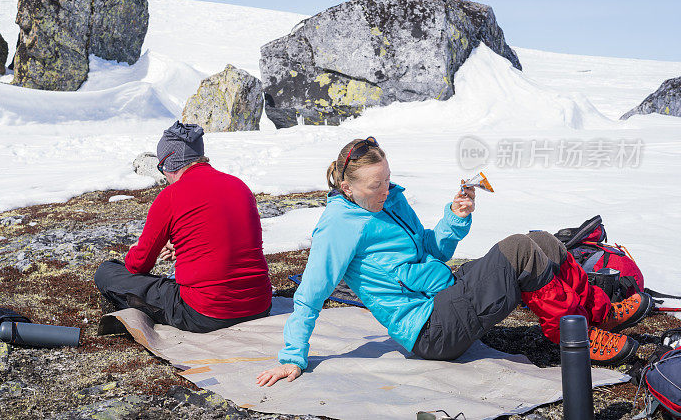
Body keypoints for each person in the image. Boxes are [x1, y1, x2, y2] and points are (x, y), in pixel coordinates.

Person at [257, 137, 652, 386]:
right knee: (518, 249)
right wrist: (292, 357)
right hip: (430, 330)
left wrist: (455, 215)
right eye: (376, 185)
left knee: (543, 242)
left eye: (388, 179)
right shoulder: (340, 225)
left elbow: (432, 250)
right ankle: (573, 338)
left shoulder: (390, 201)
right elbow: (310, 293)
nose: (386, 189)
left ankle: (599, 314)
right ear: (347, 186)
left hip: (446, 299)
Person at [95, 121, 272, 333]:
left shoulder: (170, 196)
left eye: (162, 168)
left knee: (107, 272)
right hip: (260, 306)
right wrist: (182, 247)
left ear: (169, 163)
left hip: (205, 314)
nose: (164, 175)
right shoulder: (239, 186)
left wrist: (134, 250)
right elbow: (231, 244)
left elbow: (139, 265)